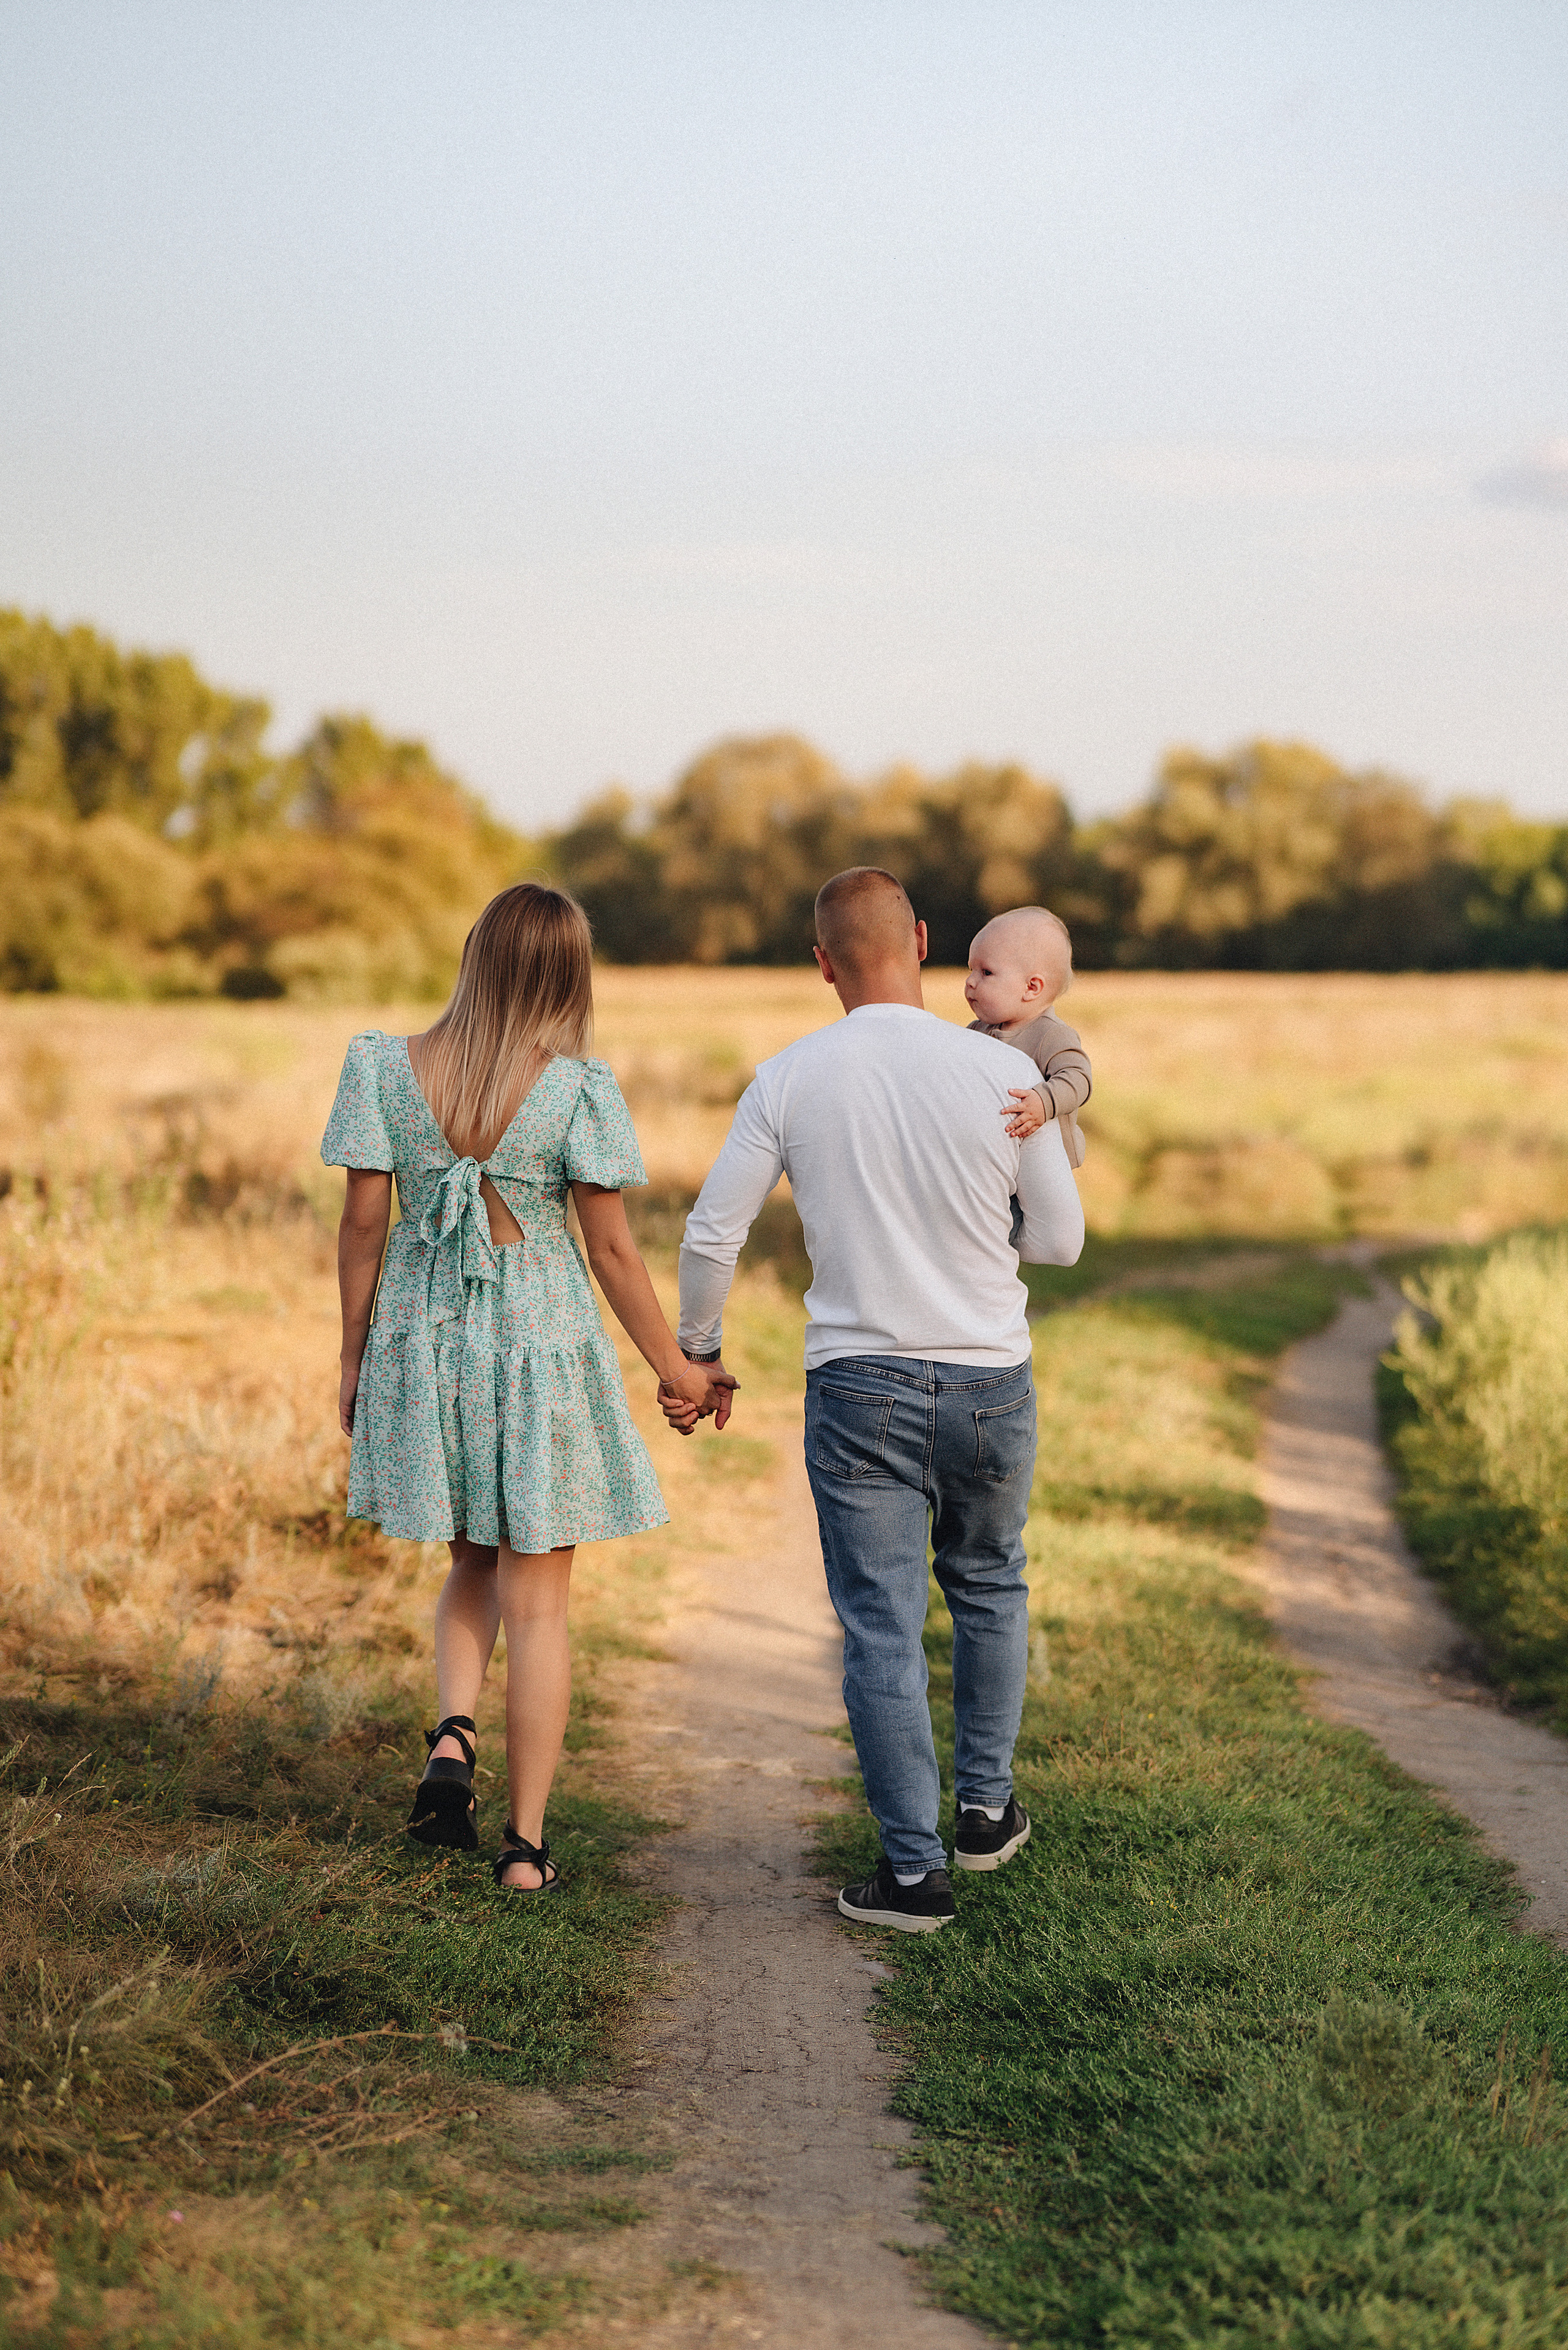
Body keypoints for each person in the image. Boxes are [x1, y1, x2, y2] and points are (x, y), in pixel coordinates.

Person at [666, 868, 1084, 1932]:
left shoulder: (790, 1076)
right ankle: (985, 1811)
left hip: (860, 1386)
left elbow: (714, 1231)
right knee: (990, 1582)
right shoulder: (999, 1071)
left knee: (882, 1626)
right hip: (992, 1377)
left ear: (821, 962)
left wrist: (700, 1350)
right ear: (925, 940)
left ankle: (913, 1875)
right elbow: (1061, 1240)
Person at [322, 883, 730, 1897]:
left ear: (473, 956)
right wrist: (677, 1372)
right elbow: (612, 1251)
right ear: (568, 977)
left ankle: (452, 1738)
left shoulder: (383, 1066)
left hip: (426, 1342)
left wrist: (354, 1353)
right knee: (539, 1603)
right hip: (535, 1347)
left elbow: (364, 1226)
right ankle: (523, 1847)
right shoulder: (579, 1090)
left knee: (468, 1557)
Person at [965, 905, 1091, 1164]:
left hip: (1048, 1162)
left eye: (986, 972)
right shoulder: (976, 1032)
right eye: (971, 970)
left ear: (1031, 988)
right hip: (1000, 1156)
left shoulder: (1051, 1034)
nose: (970, 981)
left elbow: (1079, 1079)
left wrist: (1044, 1102)